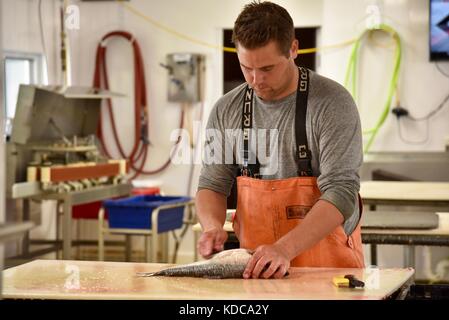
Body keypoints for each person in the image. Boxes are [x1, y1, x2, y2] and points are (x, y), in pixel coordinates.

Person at [196, 0, 364, 279]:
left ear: (294, 49)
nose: (254, 80)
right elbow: (212, 184)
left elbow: (342, 192)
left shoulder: (333, 104)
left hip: (328, 271)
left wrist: (284, 249)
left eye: (267, 69)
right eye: (245, 67)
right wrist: (212, 226)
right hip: (258, 272)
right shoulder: (226, 110)